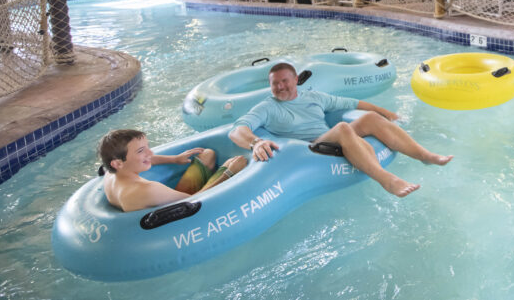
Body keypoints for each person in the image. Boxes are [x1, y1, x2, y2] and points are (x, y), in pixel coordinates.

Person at [229, 62, 452, 198]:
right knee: (344, 128)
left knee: (371, 118)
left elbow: (353, 103)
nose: (280, 87)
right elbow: (237, 130)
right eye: (274, 83)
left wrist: (388, 113)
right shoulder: (268, 107)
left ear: (296, 80)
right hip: (308, 149)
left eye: (284, 81)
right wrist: (255, 142)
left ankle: (424, 155)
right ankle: (387, 180)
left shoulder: (314, 96)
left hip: (331, 137)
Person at [99, 129, 246, 212]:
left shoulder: (110, 174)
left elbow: (145, 159)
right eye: (141, 151)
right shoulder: (147, 190)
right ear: (117, 163)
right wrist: (228, 173)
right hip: (182, 212)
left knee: (208, 155)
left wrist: (174, 159)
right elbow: (195, 202)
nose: (150, 153)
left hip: (166, 200)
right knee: (237, 163)